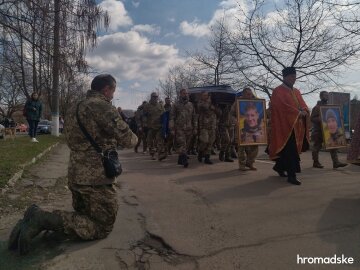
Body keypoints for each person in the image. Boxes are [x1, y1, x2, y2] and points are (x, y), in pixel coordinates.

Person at [8, 74, 138, 255]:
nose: (112, 96)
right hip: (96, 177)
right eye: (113, 92)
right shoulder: (101, 107)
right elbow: (129, 140)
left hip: (76, 172)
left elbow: (69, 139)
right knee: (102, 227)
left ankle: (36, 216)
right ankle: (41, 218)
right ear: (106, 89)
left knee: (84, 216)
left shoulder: (74, 107)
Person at [269, 67, 310, 185]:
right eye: (292, 76)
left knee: (288, 150)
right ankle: (292, 176)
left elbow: (302, 104)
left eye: (295, 76)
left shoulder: (296, 91)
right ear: (285, 77)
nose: (294, 79)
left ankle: (279, 167)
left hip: (297, 126)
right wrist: (297, 112)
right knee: (291, 151)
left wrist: (305, 110)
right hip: (284, 126)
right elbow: (280, 107)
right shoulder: (278, 91)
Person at [311, 91, 347, 168]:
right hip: (318, 131)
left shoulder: (329, 107)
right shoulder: (317, 107)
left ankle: (336, 163)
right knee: (317, 147)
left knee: (333, 145)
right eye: (325, 95)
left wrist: (339, 119)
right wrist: (320, 119)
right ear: (321, 97)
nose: (327, 96)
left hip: (327, 131)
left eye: (327, 95)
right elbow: (312, 118)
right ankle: (316, 162)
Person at [169, 89, 197, 167]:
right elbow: (171, 117)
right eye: (184, 93)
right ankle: (185, 161)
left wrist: (195, 127)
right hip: (179, 129)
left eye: (186, 93)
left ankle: (180, 159)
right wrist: (172, 128)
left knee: (186, 145)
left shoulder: (191, 105)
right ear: (180, 94)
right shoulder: (175, 105)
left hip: (189, 128)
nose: (186, 95)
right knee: (182, 144)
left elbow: (194, 117)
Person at [235, 88, 260, 171]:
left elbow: (260, 110)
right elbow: (231, 114)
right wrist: (236, 121)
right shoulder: (238, 102)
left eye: (251, 94)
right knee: (242, 147)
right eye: (248, 94)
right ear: (243, 94)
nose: (250, 96)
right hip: (242, 127)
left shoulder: (254, 102)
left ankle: (250, 163)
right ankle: (242, 165)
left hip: (253, 127)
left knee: (255, 146)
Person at [143, 92, 167, 161]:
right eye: (154, 96)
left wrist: (164, 125)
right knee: (150, 141)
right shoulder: (147, 106)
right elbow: (144, 115)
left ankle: (160, 155)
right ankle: (152, 154)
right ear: (151, 97)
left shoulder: (160, 106)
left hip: (159, 126)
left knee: (160, 140)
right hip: (150, 126)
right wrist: (144, 123)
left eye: (156, 97)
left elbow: (164, 116)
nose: (155, 98)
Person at [197, 91, 218, 164]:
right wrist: (209, 102)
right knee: (204, 141)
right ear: (202, 96)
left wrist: (214, 108)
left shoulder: (213, 103)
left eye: (207, 95)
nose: (206, 96)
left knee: (210, 142)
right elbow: (204, 107)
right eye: (204, 95)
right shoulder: (200, 103)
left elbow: (219, 113)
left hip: (212, 126)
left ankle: (207, 157)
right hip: (204, 126)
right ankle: (200, 151)